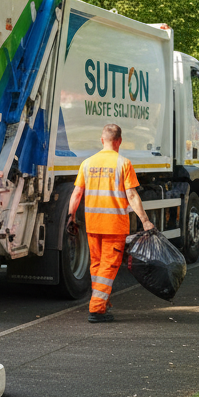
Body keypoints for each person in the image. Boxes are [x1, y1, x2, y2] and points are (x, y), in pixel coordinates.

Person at [67, 123, 154, 323]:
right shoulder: (123, 163)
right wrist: (145, 221)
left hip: (93, 224)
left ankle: (101, 303)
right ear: (119, 141)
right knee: (108, 266)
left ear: (102, 140)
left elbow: (76, 193)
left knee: (97, 265)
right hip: (114, 225)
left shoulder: (87, 163)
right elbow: (131, 195)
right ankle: (97, 309)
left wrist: (71, 218)